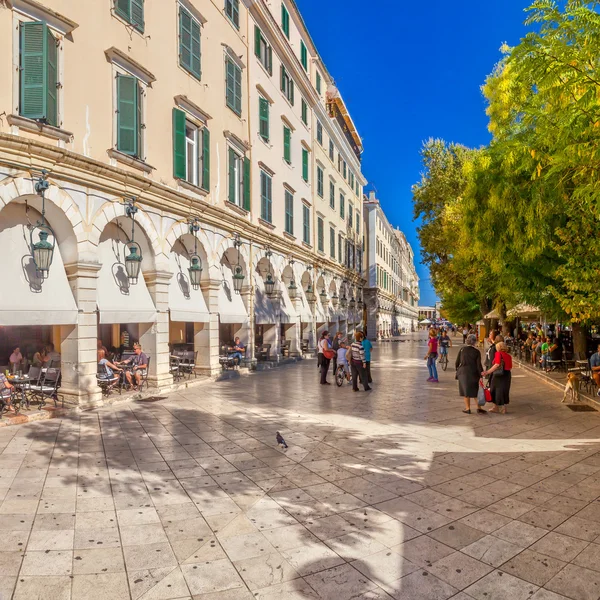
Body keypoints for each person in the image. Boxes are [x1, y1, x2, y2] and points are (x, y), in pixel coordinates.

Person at [456, 333, 485, 414]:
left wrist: (457, 370)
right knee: (475, 391)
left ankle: (467, 408)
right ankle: (479, 407)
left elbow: (457, 362)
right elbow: (478, 364)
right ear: (474, 342)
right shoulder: (477, 352)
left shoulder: (462, 350)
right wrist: (481, 374)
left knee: (466, 391)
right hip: (473, 372)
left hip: (463, 373)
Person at [483, 341, 513, 414]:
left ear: (498, 347)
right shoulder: (508, 356)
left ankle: (498, 407)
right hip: (507, 374)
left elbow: (496, 365)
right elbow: (510, 366)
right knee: (504, 390)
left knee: (495, 390)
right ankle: (501, 407)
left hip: (498, 375)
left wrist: (487, 372)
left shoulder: (498, 354)